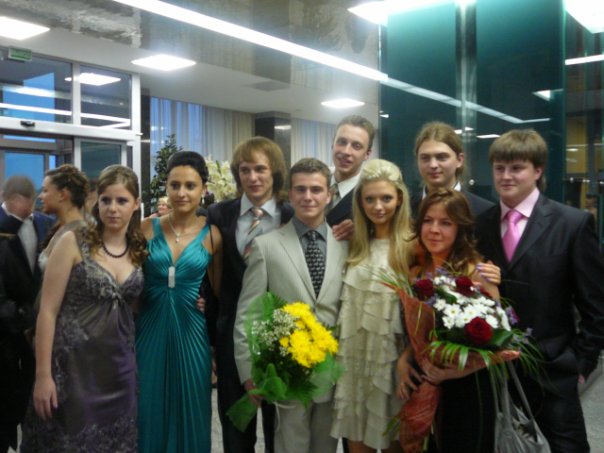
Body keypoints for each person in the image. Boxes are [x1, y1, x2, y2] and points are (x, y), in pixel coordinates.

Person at [475, 129, 604, 452]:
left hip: (553, 369)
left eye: (516, 168)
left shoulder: (571, 223)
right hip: (495, 371)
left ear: (538, 170)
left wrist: (580, 365)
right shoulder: (481, 225)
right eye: (499, 168)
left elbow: (595, 306)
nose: (506, 176)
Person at [20, 165, 146, 452]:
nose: (112, 208)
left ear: (136, 204)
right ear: (96, 201)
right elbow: (47, 311)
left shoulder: (138, 248)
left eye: (122, 201)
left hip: (119, 370)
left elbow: (138, 305)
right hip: (72, 370)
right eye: (106, 200)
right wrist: (43, 376)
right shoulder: (73, 241)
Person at [234, 158, 348, 453]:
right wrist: (248, 372)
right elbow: (248, 313)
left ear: (329, 195)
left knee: (326, 446)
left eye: (316, 189)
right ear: (290, 194)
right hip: (288, 373)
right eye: (300, 189)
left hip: (335, 372)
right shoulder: (267, 245)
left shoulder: (347, 245)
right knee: (290, 445)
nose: (308, 197)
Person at [207, 136, 292, 453]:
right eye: (245, 170)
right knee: (235, 430)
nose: (253, 177)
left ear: (274, 172)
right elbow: (206, 271)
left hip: (279, 334)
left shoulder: (292, 216)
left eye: (260, 169)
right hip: (231, 334)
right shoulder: (218, 214)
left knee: (278, 428)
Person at [137, 151, 223, 453]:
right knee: (148, 406)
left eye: (190, 185)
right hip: (149, 329)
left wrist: (208, 307)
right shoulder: (146, 228)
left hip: (192, 332)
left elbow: (218, 292)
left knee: (191, 408)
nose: (181, 193)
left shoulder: (213, 235)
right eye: (175, 185)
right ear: (166, 187)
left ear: (203, 189)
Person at [404, 188, 501, 453]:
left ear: (460, 229)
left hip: (468, 391)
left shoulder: (477, 274)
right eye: (428, 221)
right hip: (426, 383)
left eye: (446, 223)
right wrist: (405, 358)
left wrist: (456, 372)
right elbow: (419, 331)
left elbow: (502, 347)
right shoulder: (416, 271)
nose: (434, 230)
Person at [330, 159, 414, 453]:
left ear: (399, 198)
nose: (378, 207)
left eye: (386, 198)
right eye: (370, 199)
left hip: (393, 364)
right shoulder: (353, 243)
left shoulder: (413, 246)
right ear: (360, 201)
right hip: (354, 361)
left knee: (394, 442)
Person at [0, 176, 52, 453]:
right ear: (7, 198)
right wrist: (24, 320)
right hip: (5, 332)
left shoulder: (45, 224)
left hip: (40, 330)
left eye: (30, 202)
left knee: (32, 400)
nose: (27, 208)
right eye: (20, 202)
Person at [412, 121, 493, 218]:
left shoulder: (485, 211)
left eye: (441, 157)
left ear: (459, 160)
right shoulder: (405, 209)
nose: (433, 165)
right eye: (425, 158)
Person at [327, 115, 375, 240]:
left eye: (356, 146)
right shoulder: (313, 184)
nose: (346, 151)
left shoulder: (372, 198)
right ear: (332, 145)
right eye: (342, 142)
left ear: (367, 154)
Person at [38, 164, 89, 272]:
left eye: (45, 191)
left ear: (62, 195)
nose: (40, 196)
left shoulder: (81, 234)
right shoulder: (60, 228)